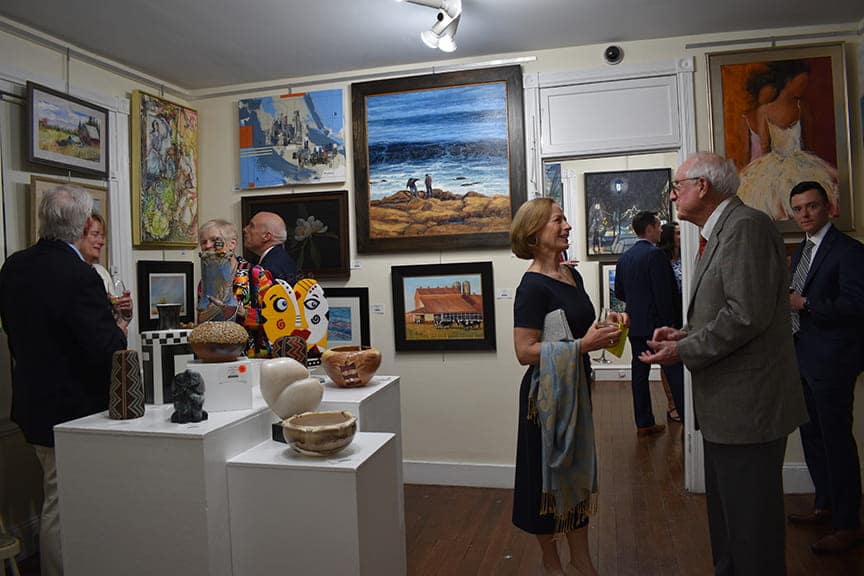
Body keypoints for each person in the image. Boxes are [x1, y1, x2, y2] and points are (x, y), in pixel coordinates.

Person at [639, 152, 807, 575]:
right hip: (731, 410)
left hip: (747, 410)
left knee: (752, 532)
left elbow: (745, 315)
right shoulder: (725, 230)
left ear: (703, 187)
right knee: (732, 527)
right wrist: (684, 334)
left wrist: (683, 351)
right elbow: (732, 308)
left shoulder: (745, 227)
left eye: (677, 186)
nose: (673, 195)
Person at [0, 185, 128, 576]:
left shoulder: (13, 266)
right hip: (75, 409)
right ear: (85, 223)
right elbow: (106, 346)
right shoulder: (78, 274)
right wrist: (120, 325)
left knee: (56, 495)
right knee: (66, 502)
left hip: (33, 402)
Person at [510, 197, 627, 576]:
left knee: (575, 474)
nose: (568, 226)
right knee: (548, 477)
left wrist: (610, 326)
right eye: (558, 220)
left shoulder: (571, 275)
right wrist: (581, 346)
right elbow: (524, 351)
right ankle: (551, 560)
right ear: (534, 233)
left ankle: (582, 559)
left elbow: (583, 329)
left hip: (576, 388)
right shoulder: (531, 286)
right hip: (544, 399)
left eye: (565, 219)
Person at [786, 181, 864, 553]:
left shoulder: (849, 251)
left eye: (811, 207)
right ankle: (824, 505)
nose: (804, 214)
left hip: (833, 362)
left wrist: (807, 305)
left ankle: (848, 524)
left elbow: (856, 305)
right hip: (802, 358)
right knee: (811, 436)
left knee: (837, 442)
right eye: (798, 208)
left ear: (828, 207)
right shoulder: (801, 249)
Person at [737, 60, 839, 221]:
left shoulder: (801, 106)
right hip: (776, 161)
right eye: (801, 82)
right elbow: (765, 146)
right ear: (788, 81)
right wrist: (769, 170)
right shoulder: (767, 110)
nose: (804, 87)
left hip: (801, 161)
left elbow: (809, 144)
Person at [614, 211, 684, 434]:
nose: (662, 229)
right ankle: (686, 419)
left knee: (639, 376)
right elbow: (664, 294)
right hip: (658, 329)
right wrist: (671, 325)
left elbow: (620, 292)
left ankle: (644, 423)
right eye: (659, 225)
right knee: (675, 373)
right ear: (650, 228)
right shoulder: (655, 255)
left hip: (636, 326)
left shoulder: (625, 257)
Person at [76, 211, 133, 320]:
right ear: (80, 236)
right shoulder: (72, 272)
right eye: (95, 234)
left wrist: (125, 311)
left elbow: (115, 319)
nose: (101, 241)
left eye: (102, 236)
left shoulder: (102, 272)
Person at [197, 218, 250, 322]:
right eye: (203, 242)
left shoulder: (255, 273)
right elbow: (201, 318)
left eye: (214, 240)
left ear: (232, 244)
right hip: (214, 336)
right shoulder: (204, 282)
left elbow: (271, 314)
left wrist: (244, 313)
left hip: (247, 336)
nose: (207, 246)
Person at [657, 221, 682, 422]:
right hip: (669, 316)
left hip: (685, 314)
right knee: (668, 362)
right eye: (677, 234)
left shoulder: (688, 259)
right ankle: (672, 403)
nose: (681, 237)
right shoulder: (661, 261)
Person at [242, 211, 297, 283]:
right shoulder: (279, 258)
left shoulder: (270, 268)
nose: (245, 229)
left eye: (252, 226)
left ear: (266, 236)